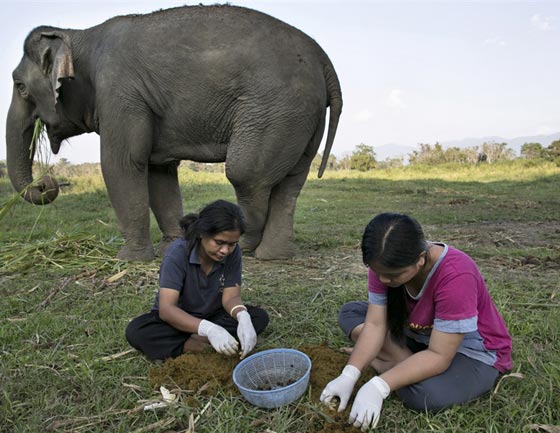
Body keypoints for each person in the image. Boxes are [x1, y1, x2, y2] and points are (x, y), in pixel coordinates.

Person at [320, 213, 512, 430]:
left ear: (420, 259)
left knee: (426, 395)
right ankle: (407, 363)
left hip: (469, 351)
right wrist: (350, 373)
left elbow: (440, 356)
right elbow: (375, 324)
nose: (383, 280)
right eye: (377, 272)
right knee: (351, 312)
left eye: (393, 275)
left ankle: (387, 362)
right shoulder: (385, 264)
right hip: (420, 332)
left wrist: (379, 386)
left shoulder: (457, 275)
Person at [126, 199, 269, 361]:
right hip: (177, 320)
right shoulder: (178, 253)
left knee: (258, 317)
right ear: (202, 233)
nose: (225, 250)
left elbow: (231, 297)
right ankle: (190, 344)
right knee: (137, 331)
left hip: (213, 314)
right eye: (219, 242)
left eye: (232, 244)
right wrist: (209, 329)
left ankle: (201, 341)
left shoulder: (232, 254)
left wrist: (243, 317)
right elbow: (167, 309)